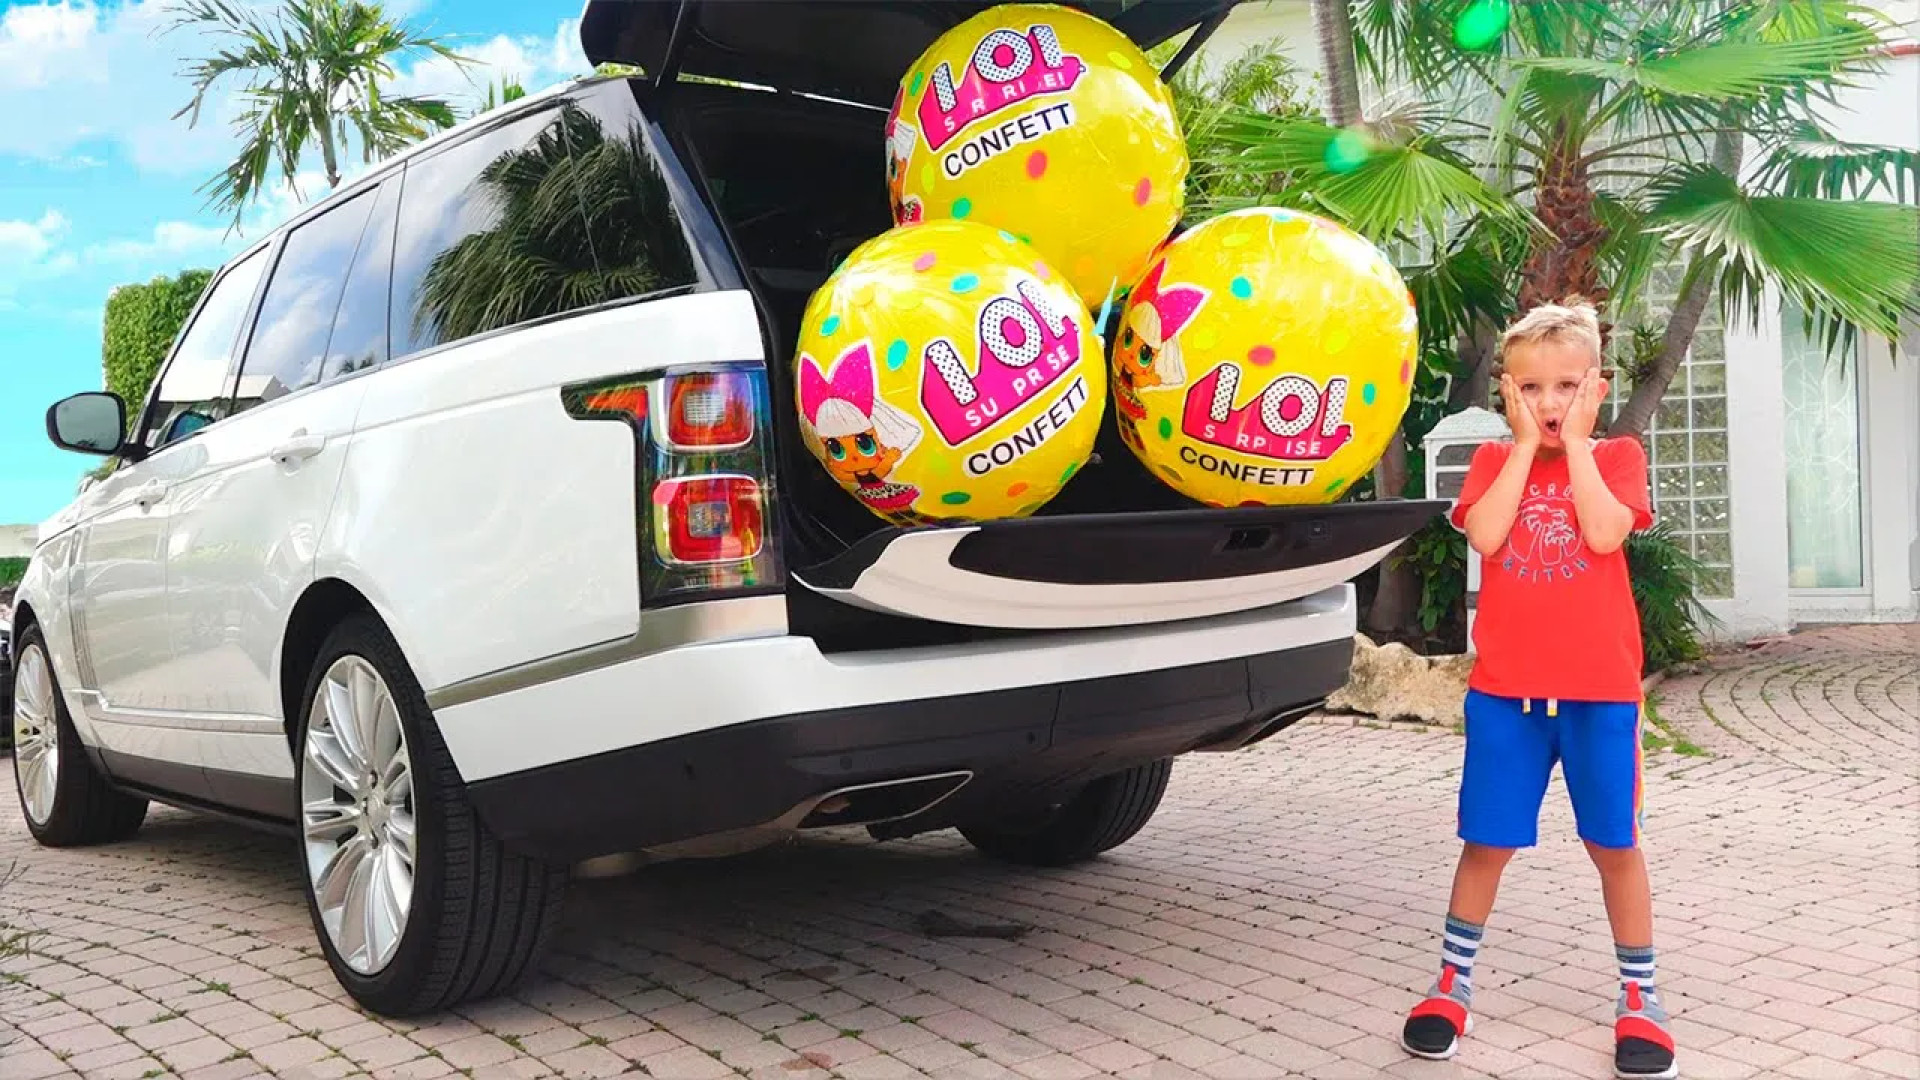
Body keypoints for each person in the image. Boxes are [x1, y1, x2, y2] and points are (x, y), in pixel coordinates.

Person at [1401, 297, 1675, 1080]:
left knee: (1613, 844)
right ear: (1506, 393)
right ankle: (1451, 984)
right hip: (1507, 698)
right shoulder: (1495, 463)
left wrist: (1577, 444)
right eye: (1530, 388)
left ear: (1595, 387)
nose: (1548, 403)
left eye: (1565, 386)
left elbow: (1604, 533)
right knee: (1486, 841)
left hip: (1599, 696)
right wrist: (1523, 446)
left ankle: (1640, 994)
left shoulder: (1616, 457)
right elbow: (1486, 534)